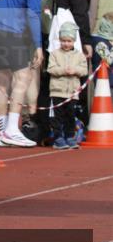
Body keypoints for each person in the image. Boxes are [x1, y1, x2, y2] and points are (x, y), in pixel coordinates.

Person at [0, 0, 57, 147]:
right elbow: (34, 12)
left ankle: (3, 130)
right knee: (23, 77)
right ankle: (11, 130)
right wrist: (38, 45)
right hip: (9, 29)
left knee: (2, 79)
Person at [47, 21, 88, 149]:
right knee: (57, 116)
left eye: (69, 41)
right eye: (63, 41)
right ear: (60, 40)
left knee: (70, 115)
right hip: (57, 91)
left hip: (72, 93)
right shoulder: (54, 54)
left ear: (74, 41)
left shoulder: (80, 56)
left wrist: (75, 70)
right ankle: (58, 138)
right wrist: (63, 70)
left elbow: (84, 70)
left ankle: (70, 137)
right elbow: (51, 69)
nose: (66, 44)